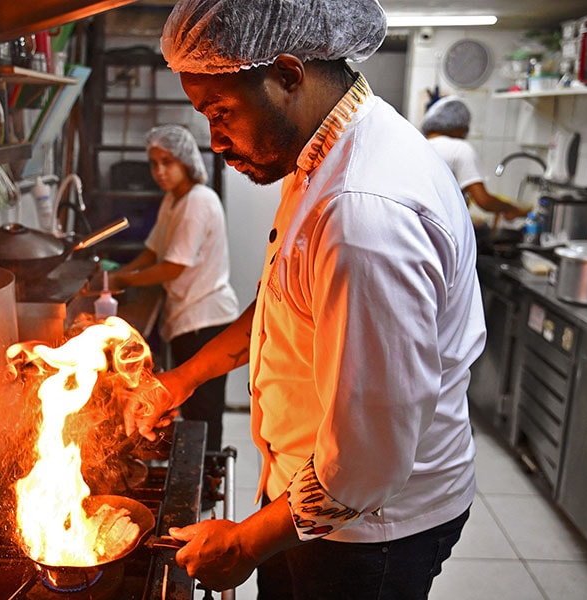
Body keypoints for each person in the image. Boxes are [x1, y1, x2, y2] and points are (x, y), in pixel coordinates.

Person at [121, 1, 487, 598]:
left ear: (287, 75)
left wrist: (241, 544)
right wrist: (179, 379)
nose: (213, 141)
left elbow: (364, 465)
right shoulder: (321, 152)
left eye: (221, 112)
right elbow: (282, 305)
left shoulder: (363, 216)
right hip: (310, 499)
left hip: (365, 531)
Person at [104, 124, 239, 452]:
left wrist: (123, 280)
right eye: (154, 163)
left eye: (168, 162)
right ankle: (203, 476)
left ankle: (207, 483)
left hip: (205, 321)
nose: (160, 171)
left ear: (186, 162)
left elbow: (173, 266)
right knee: (194, 409)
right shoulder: (174, 200)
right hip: (188, 317)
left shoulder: (197, 201)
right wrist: (117, 275)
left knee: (203, 414)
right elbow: (152, 251)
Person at [421, 96, 530, 225]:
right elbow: (483, 201)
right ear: (459, 126)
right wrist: (511, 208)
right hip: (441, 227)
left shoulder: (418, 145)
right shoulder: (459, 148)